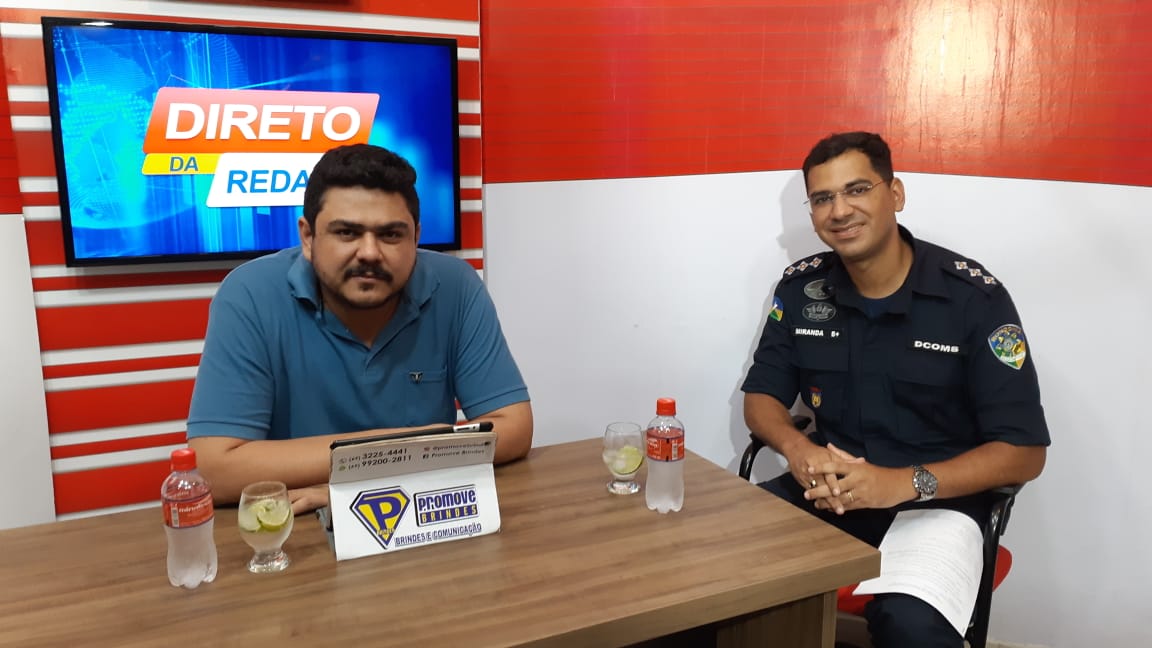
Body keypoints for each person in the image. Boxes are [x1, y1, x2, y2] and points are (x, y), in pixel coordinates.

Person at [741, 132, 1049, 647]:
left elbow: (1024, 451)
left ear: (896, 194)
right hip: (828, 494)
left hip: (936, 503)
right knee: (715, 565)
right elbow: (761, 397)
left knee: (911, 626)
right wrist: (797, 450)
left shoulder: (973, 299)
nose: (840, 210)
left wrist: (903, 482)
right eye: (822, 198)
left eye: (857, 189)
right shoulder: (800, 290)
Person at [187, 144, 533, 514]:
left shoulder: (456, 285)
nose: (369, 252)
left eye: (391, 235)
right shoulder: (250, 294)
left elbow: (513, 427)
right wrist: (392, 458)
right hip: (297, 524)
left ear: (416, 237)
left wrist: (364, 484)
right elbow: (214, 468)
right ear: (308, 237)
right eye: (347, 232)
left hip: (424, 515)